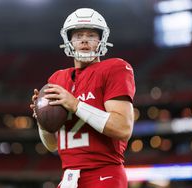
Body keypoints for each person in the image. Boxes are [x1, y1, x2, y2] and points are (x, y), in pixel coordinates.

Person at [30, 8, 135, 188]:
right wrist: (42, 122)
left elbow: (123, 128)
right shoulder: (57, 79)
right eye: (78, 35)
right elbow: (52, 145)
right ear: (69, 41)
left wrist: (76, 104)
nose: (85, 40)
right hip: (69, 178)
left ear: (101, 40)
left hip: (104, 173)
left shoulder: (114, 68)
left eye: (91, 35)